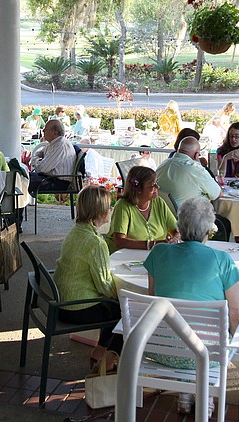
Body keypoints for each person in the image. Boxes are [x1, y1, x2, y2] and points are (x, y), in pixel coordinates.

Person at [144, 197, 239, 415]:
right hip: (207, 353)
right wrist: (236, 338)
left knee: (179, 327)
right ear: (209, 230)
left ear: (179, 227)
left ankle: (185, 394)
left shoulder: (158, 252)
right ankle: (204, 398)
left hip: (161, 349)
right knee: (208, 337)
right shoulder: (222, 260)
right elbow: (236, 313)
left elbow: (154, 298)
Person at [54, 185, 122, 371]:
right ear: (101, 212)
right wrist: (122, 292)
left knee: (116, 308)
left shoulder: (75, 232)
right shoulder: (96, 243)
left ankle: (100, 352)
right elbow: (104, 286)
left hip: (62, 302)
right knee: (125, 312)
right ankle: (107, 361)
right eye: (108, 206)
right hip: (77, 308)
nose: (110, 209)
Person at [106, 166, 179, 252]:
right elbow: (120, 241)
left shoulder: (159, 202)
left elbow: (176, 230)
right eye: (152, 185)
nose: (157, 187)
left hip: (153, 255)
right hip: (125, 257)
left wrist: (174, 239)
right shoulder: (123, 206)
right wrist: (153, 244)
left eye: (156, 183)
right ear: (138, 189)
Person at [156, 136, 220, 209]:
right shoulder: (195, 168)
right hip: (190, 214)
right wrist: (199, 165)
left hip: (163, 213)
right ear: (196, 155)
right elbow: (217, 194)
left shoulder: (164, 164)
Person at [28, 119, 76, 194]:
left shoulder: (60, 145)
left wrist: (36, 160)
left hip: (58, 183)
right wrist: (38, 160)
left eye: (45, 129)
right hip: (50, 178)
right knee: (20, 176)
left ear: (55, 132)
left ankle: (15, 201)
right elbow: (37, 155)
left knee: (20, 180)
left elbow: (42, 168)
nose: (43, 131)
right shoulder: (54, 143)